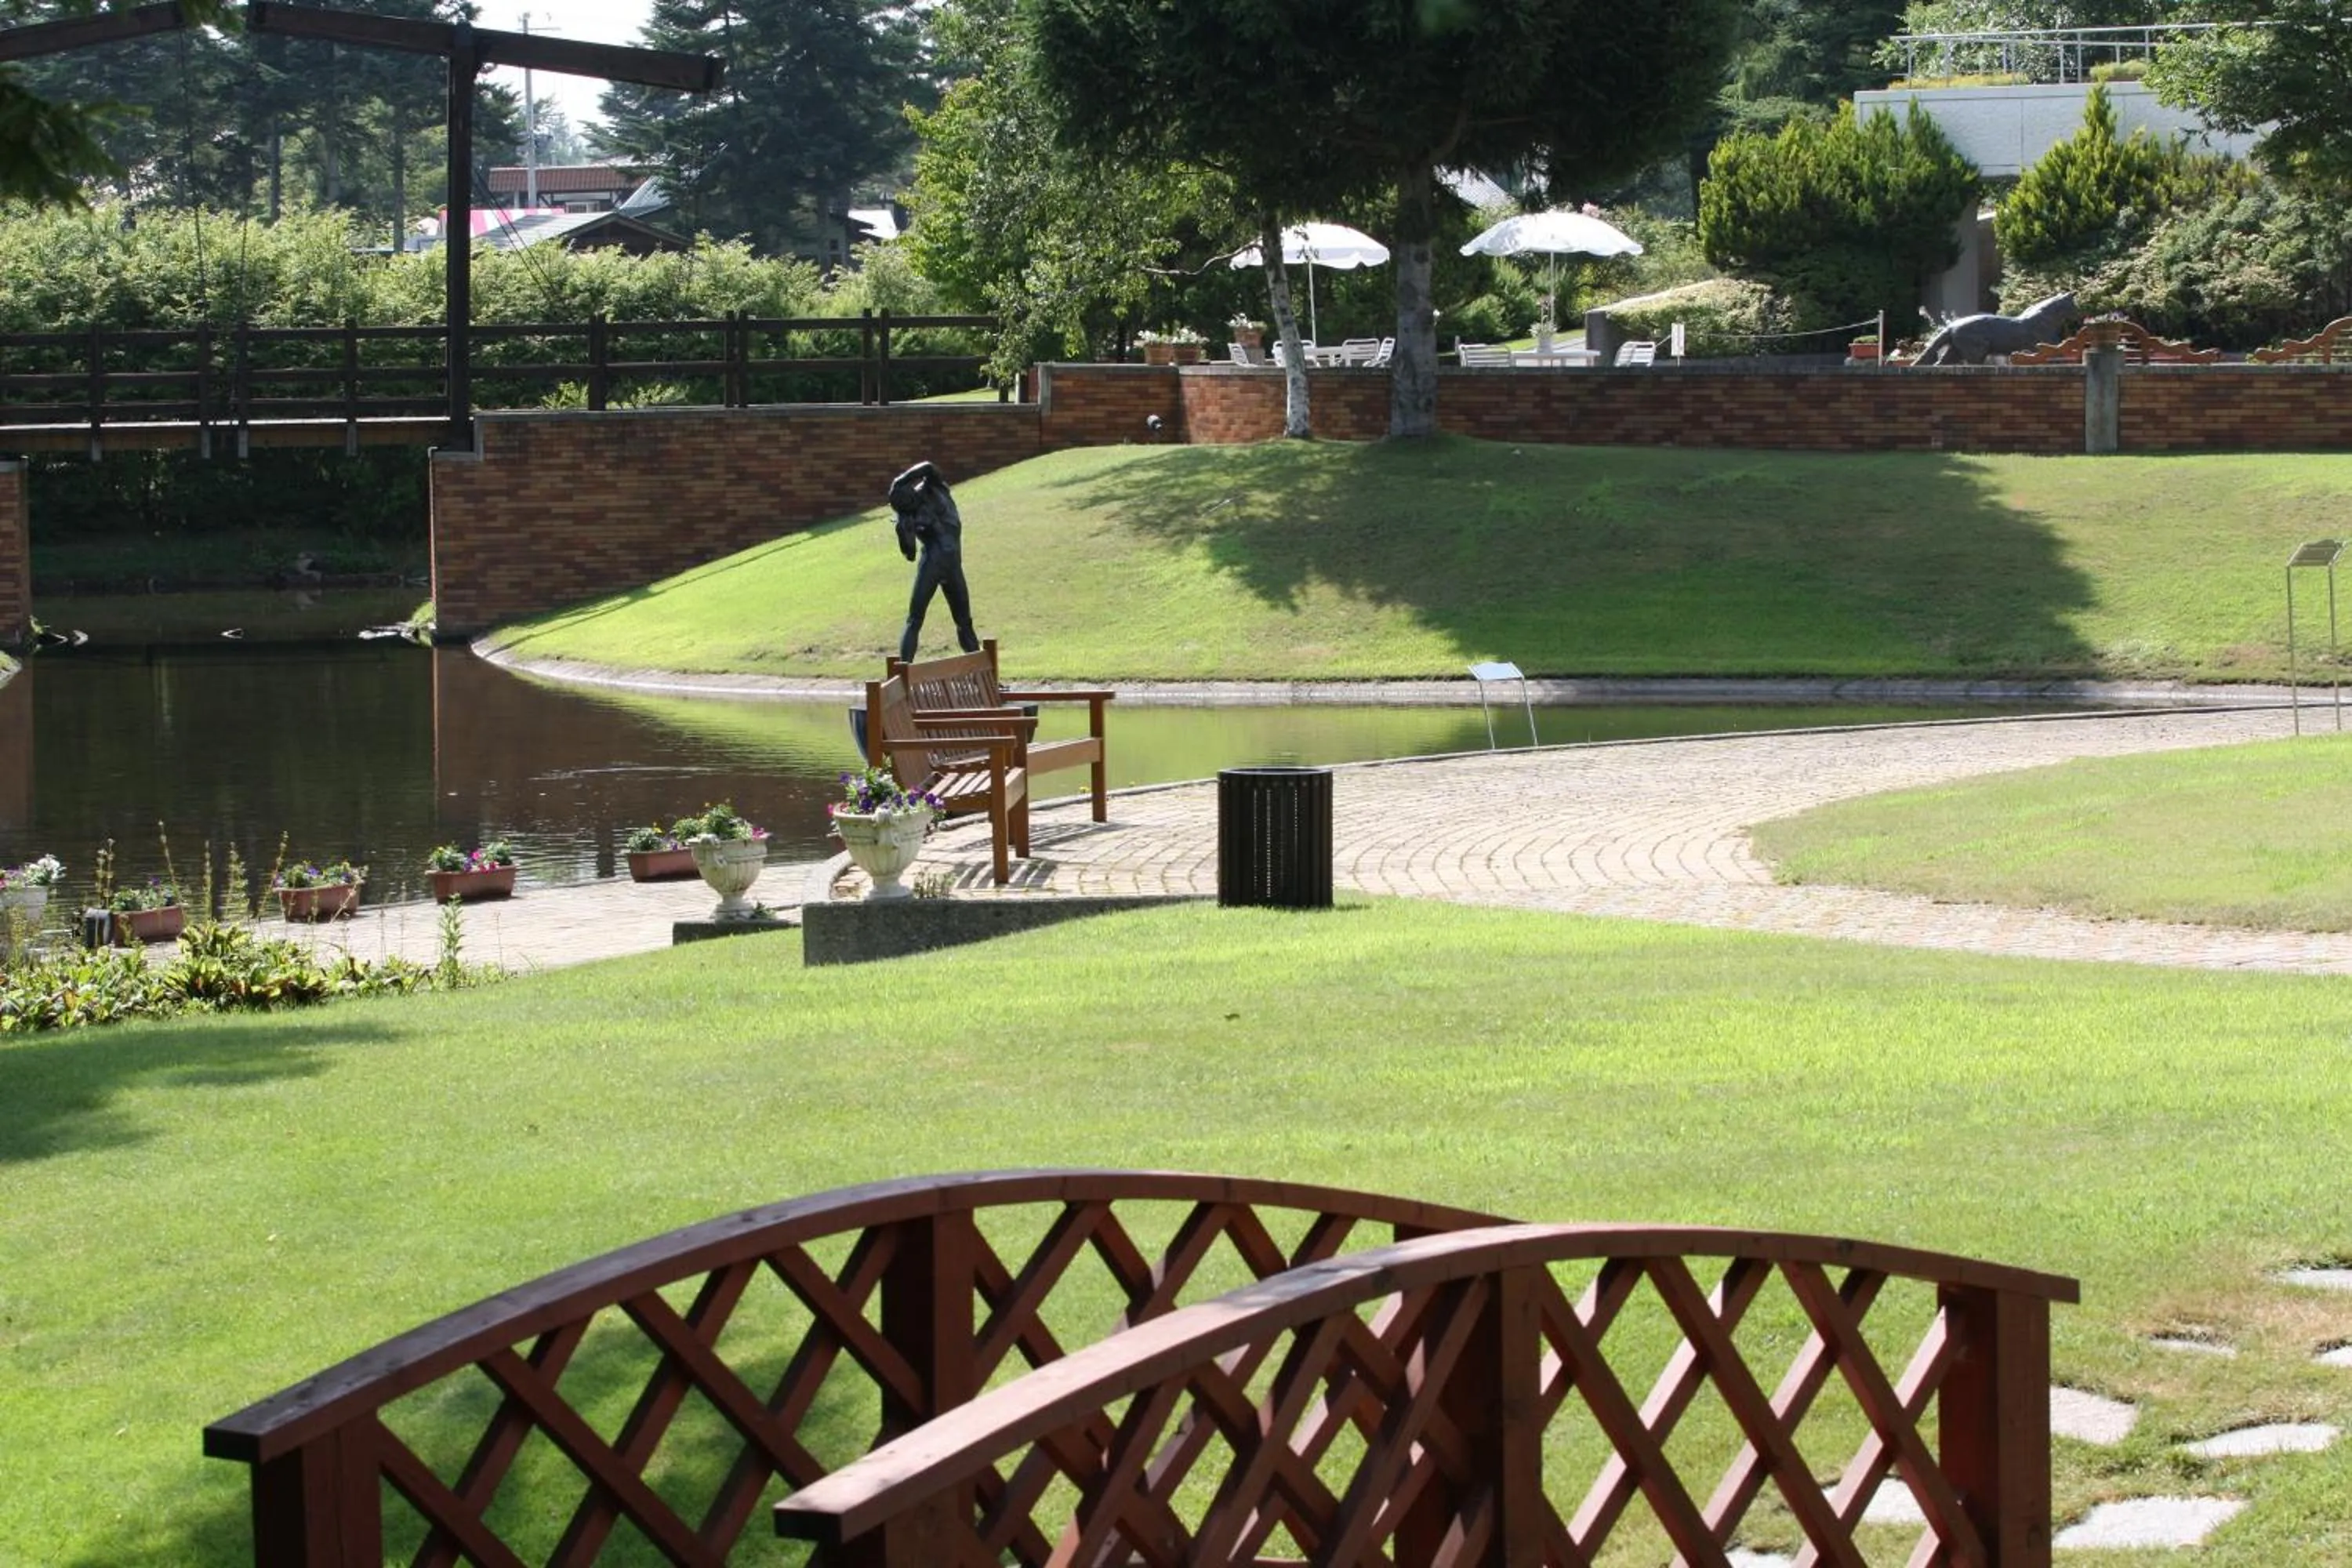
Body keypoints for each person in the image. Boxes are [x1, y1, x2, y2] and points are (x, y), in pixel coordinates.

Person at [888, 459, 980, 662]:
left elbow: (929, 466)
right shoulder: (910, 517)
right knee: (915, 619)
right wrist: (905, 534)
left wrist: (901, 480)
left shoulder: (933, 486)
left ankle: (984, 677)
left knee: (964, 622)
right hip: (932, 562)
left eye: (908, 500)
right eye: (905, 507)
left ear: (910, 490)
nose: (909, 506)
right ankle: (904, 670)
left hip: (953, 564)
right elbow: (910, 555)